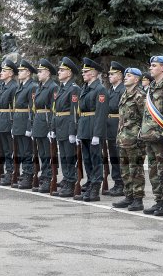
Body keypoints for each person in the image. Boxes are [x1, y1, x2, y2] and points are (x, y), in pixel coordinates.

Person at [141, 55, 163, 217]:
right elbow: (147, 113)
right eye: (150, 65)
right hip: (150, 135)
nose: (150, 68)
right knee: (154, 171)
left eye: (154, 65)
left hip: (162, 137)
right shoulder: (153, 85)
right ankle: (159, 201)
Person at [111, 67, 146, 211]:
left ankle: (138, 199)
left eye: (129, 75)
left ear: (136, 79)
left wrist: (140, 136)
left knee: (136, 170)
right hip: (123, 138)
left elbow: (145, 118)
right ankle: (129, 196)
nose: (125, 77)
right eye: (125, 75)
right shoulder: (125, 94)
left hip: (135, 139)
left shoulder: (140, 96)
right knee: (125, 170)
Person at [76, 58, 109, 202]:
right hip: (84, 127)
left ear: (94, 73)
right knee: (87, 159)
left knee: (96, 159)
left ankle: (96, 186)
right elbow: (80, 111)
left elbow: (101, 114)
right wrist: (79, 131)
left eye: (86, 71)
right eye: (83, 71)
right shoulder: (85, 87)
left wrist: (97, 134)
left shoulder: (100, 89)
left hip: (93, 128)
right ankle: (90, 182)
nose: (83, 73)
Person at [52, 57, 81, 196]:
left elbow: (74, 113)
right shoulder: (61, 88)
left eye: (62, 70)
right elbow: (55, 110)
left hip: (67, 126)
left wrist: (72, 131)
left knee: (70, 156)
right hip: (59, 126)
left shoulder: (74, 89)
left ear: (69, 73)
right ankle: (66, 178)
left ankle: (71, 182)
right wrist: (53, 128)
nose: (59, 72)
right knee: (63, 156)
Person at [31, 59, 58, 193]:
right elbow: (35, 107)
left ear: (47, 73)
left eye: (41, 72)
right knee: (42, 153)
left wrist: (51, 128)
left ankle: (49, 178)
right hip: (39, 122)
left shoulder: (53, 87)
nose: (38, 74)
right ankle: (44, 177)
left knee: (48, 153)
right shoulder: (39, 87)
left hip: (46, 123)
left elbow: (54, 109)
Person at [12, 59, 37, 188]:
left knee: (27, 151)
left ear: (28, 73)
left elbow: (32, 108)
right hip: (18, 121)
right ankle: (25, 173)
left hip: (25, 122)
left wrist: (29, 126)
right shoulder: (21, 86)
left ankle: (28, 175)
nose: (19, 72)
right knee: (21, 151)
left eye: (21, 71)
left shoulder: (32, 86)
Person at [0, 59, 19, 185]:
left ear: (10, 73)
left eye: (4, 71)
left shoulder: (14, 87)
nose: (1, 73)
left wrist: (13, 123)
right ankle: (8, 171)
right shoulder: (1, 86)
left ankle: (12, 172)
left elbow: (15, 107)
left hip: (8, 120)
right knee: (4, 149)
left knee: (10, 149)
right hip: (1, 119)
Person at [104, 61, 125, 196]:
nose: (109, 76)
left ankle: (122, 184)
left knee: (119, 156)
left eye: (112, 74)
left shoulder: (123, 89)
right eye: (109, 74)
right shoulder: (110, 90)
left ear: (120, 75)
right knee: (113, 157)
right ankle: (117, 182)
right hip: (110, 127)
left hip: (118, 125)